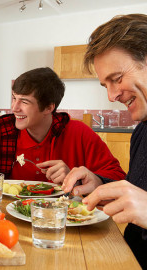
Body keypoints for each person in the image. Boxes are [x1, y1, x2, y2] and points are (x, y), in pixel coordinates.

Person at [62, 14, 147, 268]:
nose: (111, 96)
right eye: (105, 85)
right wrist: (100, 183)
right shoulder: (142, 131)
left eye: (117, 78)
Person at [0, 67, 125, 186]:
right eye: (14, 98)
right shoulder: (1, 130)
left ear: (49, 108)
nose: (14, 107)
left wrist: (75, 177)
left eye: (24, 101)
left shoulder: (79, 133)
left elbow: (118, 177)